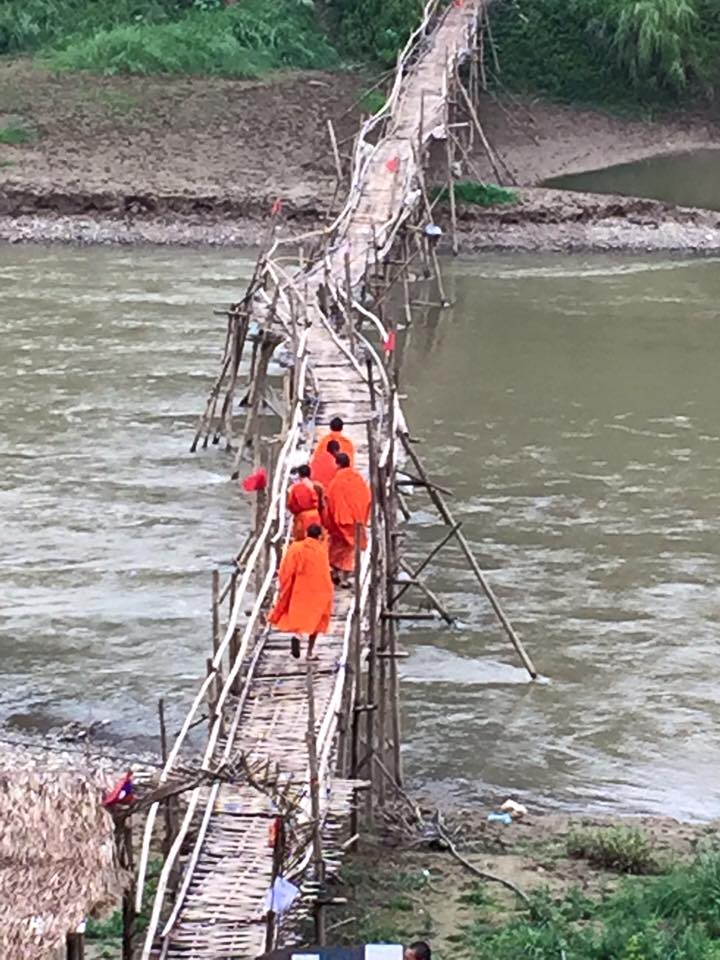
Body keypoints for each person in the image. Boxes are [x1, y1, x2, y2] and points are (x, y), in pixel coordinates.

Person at [268, 524, 333, 660]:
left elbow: (287, 569)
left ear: (306, 533)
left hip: (300, 587)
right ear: (319, 536)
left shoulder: (296, 547)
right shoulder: (321, 550)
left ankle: (297, 635)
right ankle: (309, 652)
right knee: (316, 620)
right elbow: (325, 572)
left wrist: (285, 584)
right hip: (319, 589)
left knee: (298, 613)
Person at [324, 452, 371, 586]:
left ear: (337, 464)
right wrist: (361, 515)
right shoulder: (357, 478)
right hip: (356, 520)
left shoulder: (336, 482)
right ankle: (343, 578)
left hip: (340, 520)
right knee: (349, 549)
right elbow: (367, 497)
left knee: (337, 548)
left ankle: (335, 572)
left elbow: (330, 500)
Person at [286, 464, 323, 541]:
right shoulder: (318, 486)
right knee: (315, 541)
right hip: (316, 516)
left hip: (302, 518)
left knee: (303, 541)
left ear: (299, 475)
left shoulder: (295, 488)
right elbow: (322, 504)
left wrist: (296, 513)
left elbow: (290, 504)